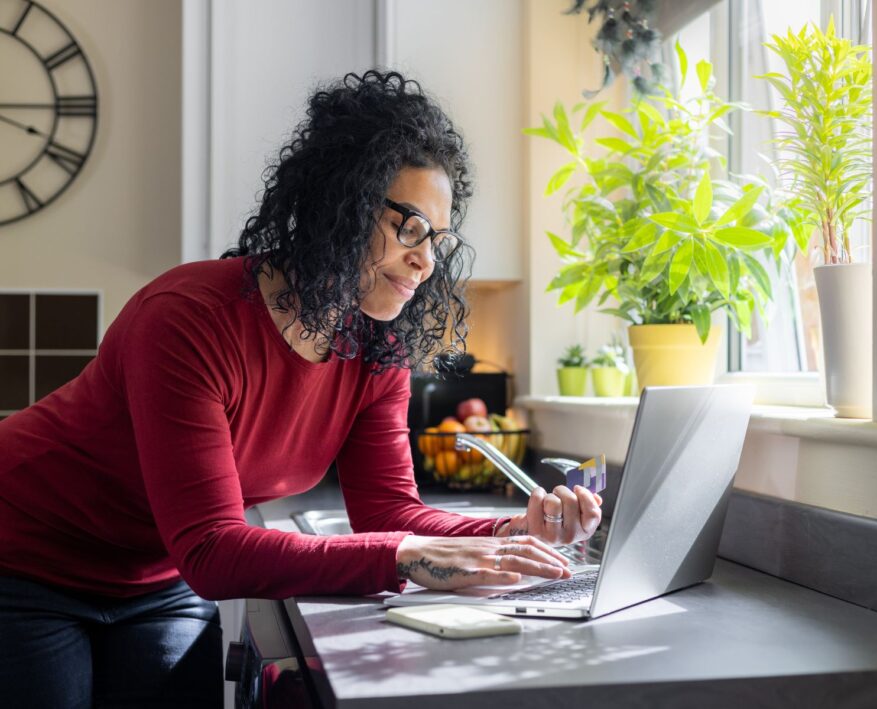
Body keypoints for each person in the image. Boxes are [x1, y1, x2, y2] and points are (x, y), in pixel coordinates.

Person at [0, 70, 602, 708]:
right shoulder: (187, 317)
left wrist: (512, 535)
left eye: (440, 241)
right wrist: (403, 555)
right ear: (339, 204)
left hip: (156, 580)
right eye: (412, 228)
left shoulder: (376, 347)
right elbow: (212, 548)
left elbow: (392, 516)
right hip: (24, 556)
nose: (428, 262)